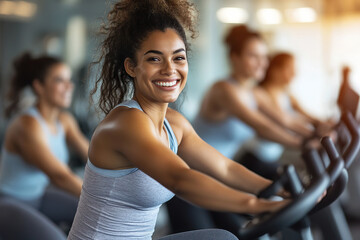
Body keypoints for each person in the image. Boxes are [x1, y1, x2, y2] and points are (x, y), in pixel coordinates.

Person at [67, 1, 290, 240]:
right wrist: (255, 206)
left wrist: (277, 191)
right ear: (132, 66)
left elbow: (225, 168)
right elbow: (180, 179)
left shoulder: (174, 124)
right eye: (154, 59)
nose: (169, 69)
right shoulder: (125, 123)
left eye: (178, 58)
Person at [167, 25, 301, 236]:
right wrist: (303, 143)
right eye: (253, 56)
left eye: (264, 57)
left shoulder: (253, 93)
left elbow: (285, 120)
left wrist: (318, 133)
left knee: (242, 233)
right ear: (234, 57)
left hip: (218, 178)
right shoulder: (223, 89)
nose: (262, 63)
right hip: (188, 180)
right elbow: (262, 126)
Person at [0, 53, 89, 239]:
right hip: (10, 204)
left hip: (39, 196)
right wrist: (103, 200)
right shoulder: (27, 125)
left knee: (94, 217)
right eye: (59, 80)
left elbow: (94, 156)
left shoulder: (64, 120)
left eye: (69, 79)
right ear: (39, 86)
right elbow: (59, 176)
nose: (69, 86)